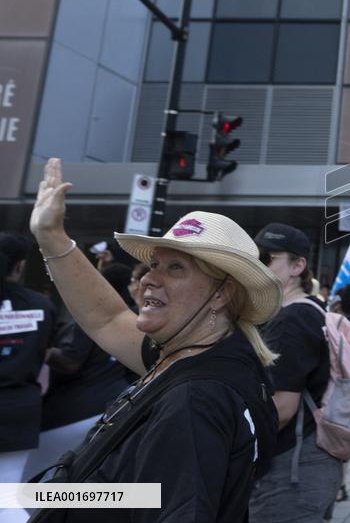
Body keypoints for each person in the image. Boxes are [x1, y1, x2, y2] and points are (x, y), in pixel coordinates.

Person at [27, 158, 279, 522]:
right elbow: (107, 318)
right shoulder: (198, 357)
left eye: (175, 268)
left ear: (222, 294)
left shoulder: (195, 397)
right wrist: (52, 237)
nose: (148, 278)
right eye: (154, 265)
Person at [250, 222, 341, 523]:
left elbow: (283, 408)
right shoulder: (310, 308)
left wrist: (228, 441)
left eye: (267, 258)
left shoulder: (293, 317)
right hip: (303, 465)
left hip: (292, 470)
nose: (257, 265)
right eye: (254, 257)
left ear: (298, 265)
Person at [22, 265, 135, 482]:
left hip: (74, 411)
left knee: (25, 483)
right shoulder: (133, 317)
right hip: (112, 406)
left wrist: (40, 348)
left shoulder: (94, 317)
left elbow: (71, 361)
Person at [0, 233, 55, 523]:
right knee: (7, 499)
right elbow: (43, 352)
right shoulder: (40, 305)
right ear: (20, 266)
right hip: (19, 411)